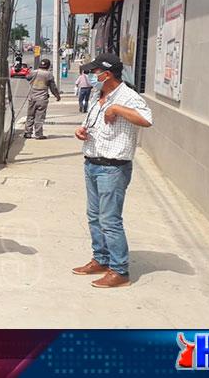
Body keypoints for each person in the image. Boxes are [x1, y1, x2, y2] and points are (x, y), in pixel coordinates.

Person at [72, 53, 152, 288]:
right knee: (94, 216)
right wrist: (81, 132)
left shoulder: (127, 96)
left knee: (110, 220)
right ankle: (101, 258)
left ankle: (119, 270)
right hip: (92, 163)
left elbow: (147, 119)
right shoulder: (98, 94)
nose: (91, 76)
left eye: (95, 72)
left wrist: (117, 108)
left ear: (107, 74)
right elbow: (91, 124)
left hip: (112, 168)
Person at [23, 58, 61, 139]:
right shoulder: (49, 75)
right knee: (39, 117)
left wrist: (29, 71)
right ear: (48, 66)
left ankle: (27, 133)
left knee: (30, 115)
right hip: (42, 98)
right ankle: (38, 134)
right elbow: (53, 87)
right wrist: (57, 96)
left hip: (32, 97)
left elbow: (27, 77)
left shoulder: (34, 72)